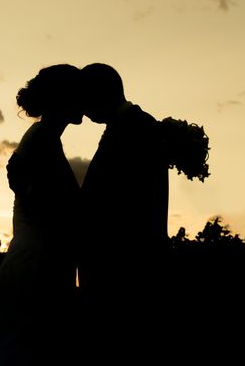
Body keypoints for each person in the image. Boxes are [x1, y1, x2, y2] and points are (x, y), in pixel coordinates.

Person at [0, 64, 83, 366]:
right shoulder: (42, 138)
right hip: (37, 265)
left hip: (41, 260)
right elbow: (54, 207)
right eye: (77, 93)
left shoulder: (44, 137)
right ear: (62, 98)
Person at [77, 63, 169, 330]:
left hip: (126, 268)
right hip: (123, 266)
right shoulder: (131, 124)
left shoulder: (135, 128)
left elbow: (123, 201)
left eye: (85, 98)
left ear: (100, 94)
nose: (83, 108)